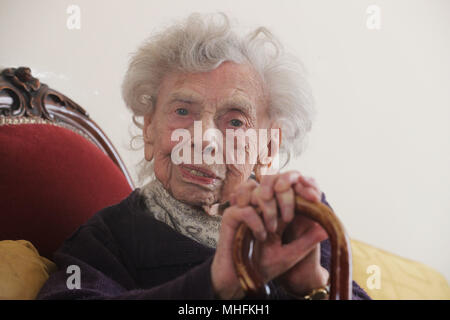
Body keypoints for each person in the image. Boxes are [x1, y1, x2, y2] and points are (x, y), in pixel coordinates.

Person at [37, 13, 370, 300]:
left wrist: (314, 285)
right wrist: (213, 283)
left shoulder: (296, 217)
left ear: (267, 147)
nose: (203, 139)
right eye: (183, 110)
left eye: (236, 121)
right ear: (150, 129)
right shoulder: (108, 236)